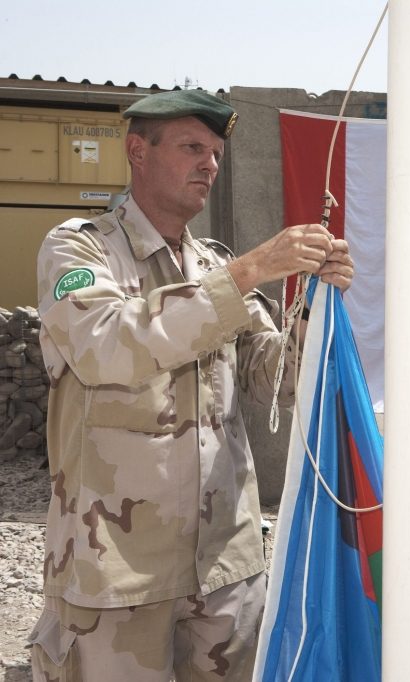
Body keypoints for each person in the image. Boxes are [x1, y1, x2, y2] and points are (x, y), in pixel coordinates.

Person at [28, 89, 353, 681]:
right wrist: (251, 271)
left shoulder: (212, 264)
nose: (209, 163)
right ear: (137, 152)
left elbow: (272, 378)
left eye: (216, 153)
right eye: (191, 147)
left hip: (225, 569)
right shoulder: (81, 247)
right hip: (118, 571)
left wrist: (313, 306)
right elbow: (104, 346)